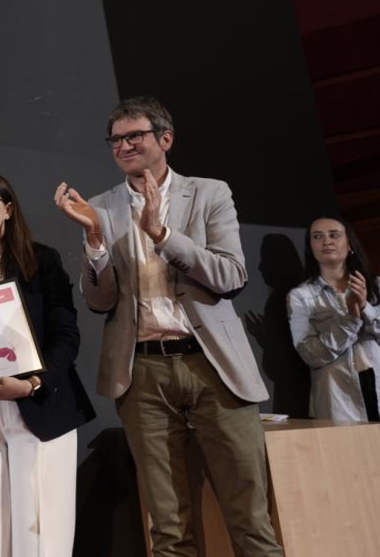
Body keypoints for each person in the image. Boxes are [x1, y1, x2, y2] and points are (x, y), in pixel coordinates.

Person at [53, 96, 283, 557]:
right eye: (115, 139)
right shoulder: (100, 206)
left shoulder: (208, 193)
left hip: (213, 368)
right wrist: (95, 242)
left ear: (165, 139)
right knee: (168, 528)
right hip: (142, 374)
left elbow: (230, 277)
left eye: (133, 136)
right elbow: (100, 302)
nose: (123, 146)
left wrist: (163, 235)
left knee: (251, 520)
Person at [0, 171, 95, 557]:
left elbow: (66, 335)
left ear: (8, 209)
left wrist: (33, 383)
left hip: (39, 410)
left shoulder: (41, 261)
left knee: (40, 537)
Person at [287, 215, 380, 422]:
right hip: (338, 399)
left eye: (334, 235)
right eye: (317, 236)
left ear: (350, 244)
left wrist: (365, 307)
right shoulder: (300, 296)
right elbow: (310, 354)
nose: (326, 241)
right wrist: (350, 321)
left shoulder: (376, 286)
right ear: (310, 247)